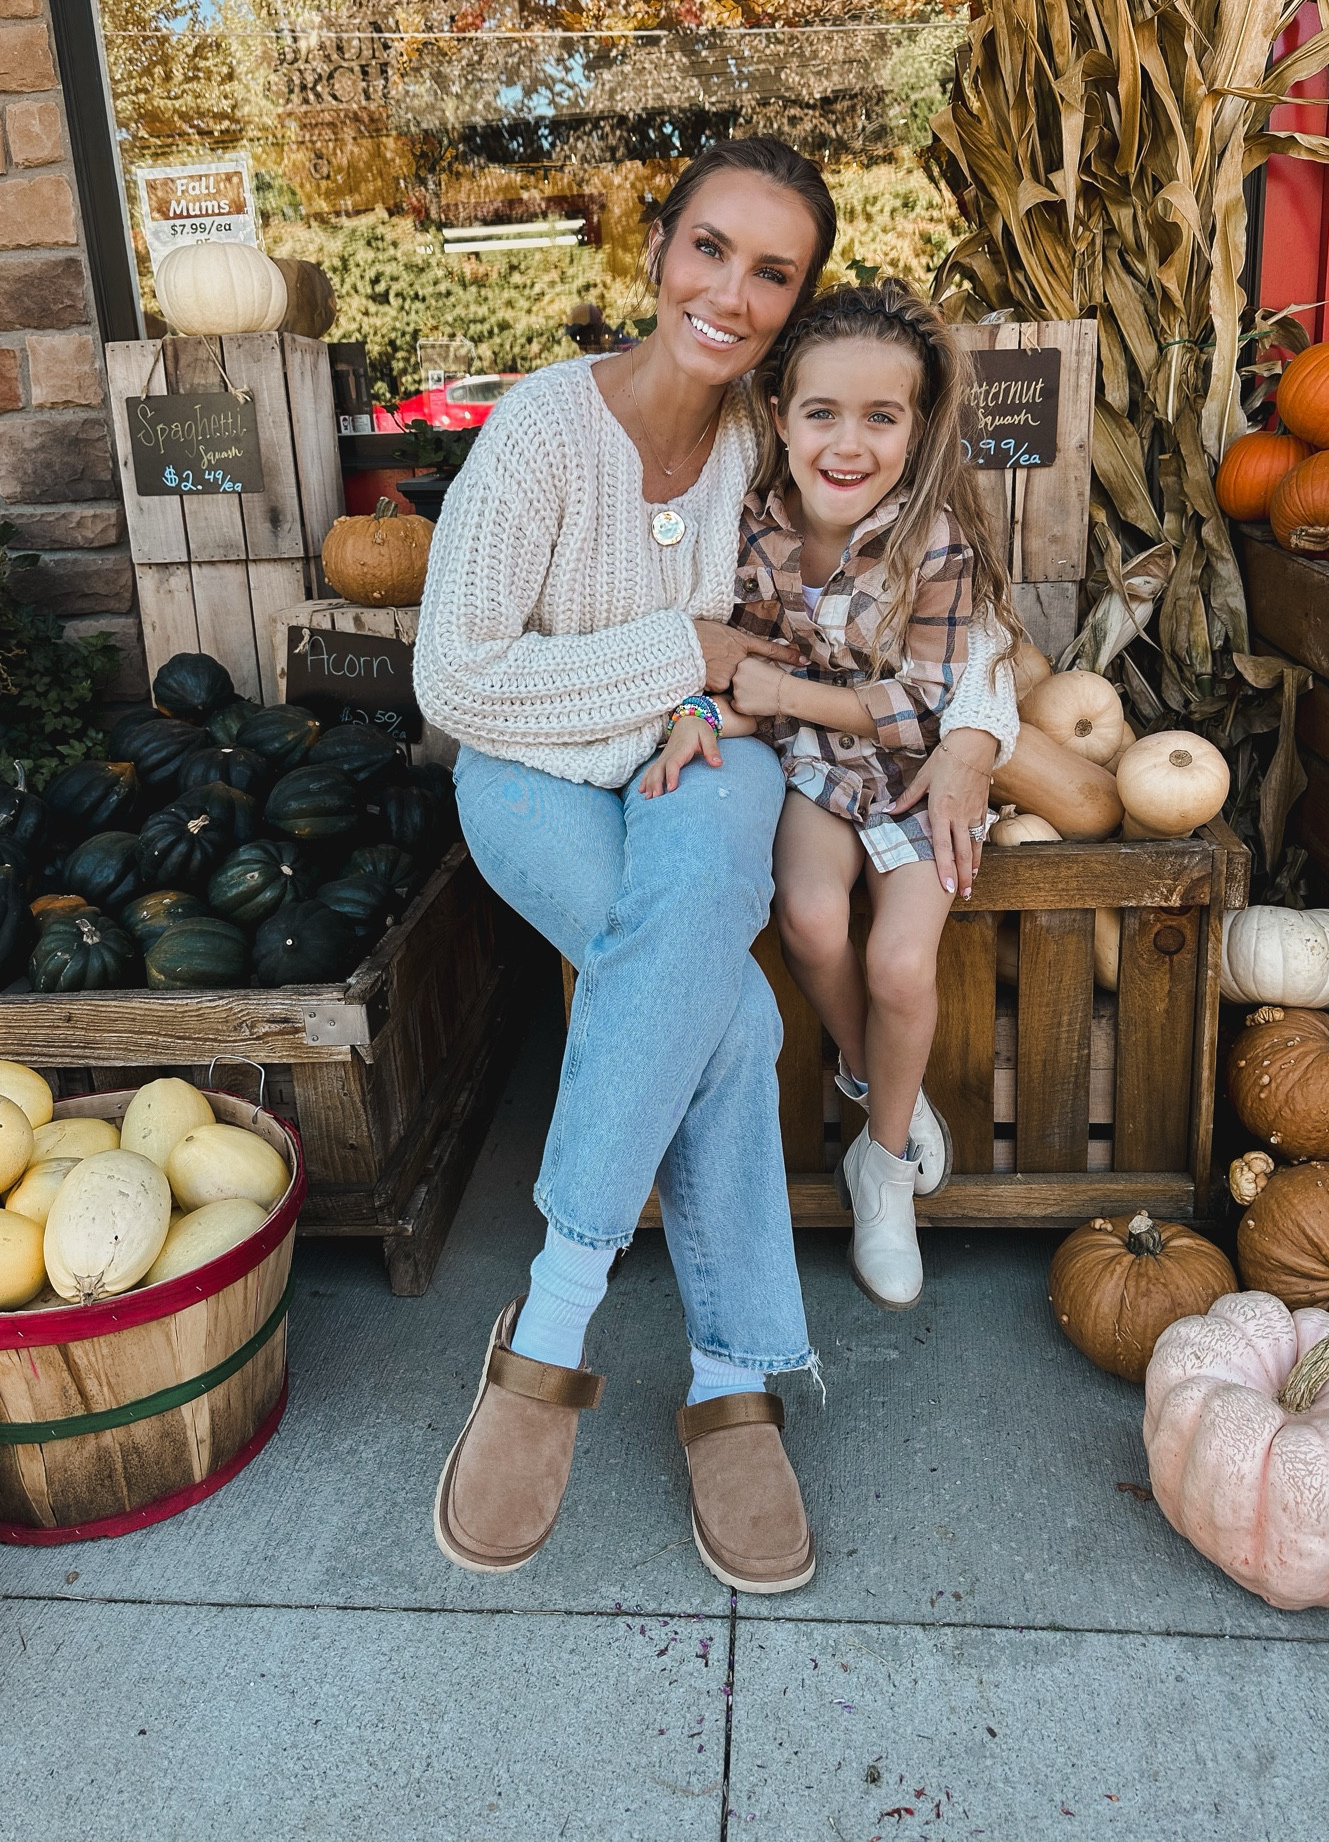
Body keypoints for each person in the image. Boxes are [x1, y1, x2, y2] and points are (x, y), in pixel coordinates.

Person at [414, 137, 1016, 1597]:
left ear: (795, 297)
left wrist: (971, 736)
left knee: (692, 924)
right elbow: (456, 684)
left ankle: (547, 1341)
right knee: (729, 1013)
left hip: (715, 753)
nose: (732, 293)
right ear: (657, 248)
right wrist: (677, 654)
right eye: (710, 251)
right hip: (537, 770)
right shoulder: (542, 436)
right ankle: (726, 1373)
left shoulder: (776, 437)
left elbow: (944, 614)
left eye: (772, 272)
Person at [641, 279, 1021, 1310]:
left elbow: (920, 707)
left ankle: (883, 1165)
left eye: (880, 416)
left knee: (902, 958)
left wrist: (781, 691)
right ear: (780, 415)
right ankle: (874, 1080)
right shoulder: (754, 531)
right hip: (814, 764)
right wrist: (708, 711)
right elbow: (738, 669)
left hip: (916, 774)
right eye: (822, 412)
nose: (848, 443)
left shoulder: (932, 543)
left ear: (916, 425)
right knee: (809, 916)